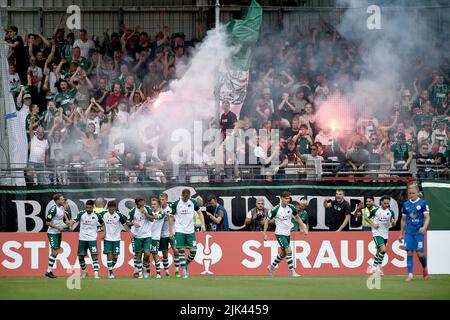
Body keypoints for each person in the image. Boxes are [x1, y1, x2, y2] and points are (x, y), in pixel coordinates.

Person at [264, 191, 307, 277]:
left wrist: (303, 227)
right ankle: (293, 272)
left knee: (283, 253)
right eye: (286, 198)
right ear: (281, 198)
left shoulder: (291, 207)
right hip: (280, 234)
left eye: (289, 198)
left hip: (287, 234)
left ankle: (271, 267)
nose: (288, 200)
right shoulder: (275, 209)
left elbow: (297, 218)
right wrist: (264, 234)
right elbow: (267, 220)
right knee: (288, 250)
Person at [169, 188, 206, 278]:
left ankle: (185, 264)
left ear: (189, 196)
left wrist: (203, 224)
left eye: (187, 197)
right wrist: (170, 231)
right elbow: (170, 216)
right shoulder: (176, 203)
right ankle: (184, 271)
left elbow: (200, 213)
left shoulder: (193, 202)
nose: (186, 198)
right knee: (180, 250)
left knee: (193, 251)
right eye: (184, 197)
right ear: (182, 195)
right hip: (179, 230)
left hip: (190, 231)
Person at [400, 184, 430, 281]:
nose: (411, 195)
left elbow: (427, 217)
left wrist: (424, 227)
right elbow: (403, 219)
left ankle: (425, 269)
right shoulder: (405, 204)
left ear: (417, 193)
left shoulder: (423, 203)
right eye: (410, 193)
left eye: (413, 193)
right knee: (409, 252)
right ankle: (410, 275)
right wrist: (401, 233)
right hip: (409, 233)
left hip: (419, 233)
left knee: (420, 254)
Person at [69, 199, 103, 279]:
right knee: (80, 257)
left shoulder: (97, 215)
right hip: (82, 238)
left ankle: (96, 273)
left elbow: (103, 223)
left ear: (93, 207)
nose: (88, 209)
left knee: (94, 256)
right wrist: (71, 226)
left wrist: (104, 232)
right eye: (87, 207)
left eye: (90, 208)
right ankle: (84, 271)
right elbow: (74, 221)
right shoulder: (81, 214)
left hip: (92, 239)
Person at [366, 196, 396, 275]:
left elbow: (393, 223)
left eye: (387, 203)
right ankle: (377, 267)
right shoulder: (376, 210)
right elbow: (367, 218)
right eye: (385, 203)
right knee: (383, 250)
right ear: (381, 202)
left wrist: (393, 222)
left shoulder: (390, 212)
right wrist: (373, 224)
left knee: (379, 251)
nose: (386, 205)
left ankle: (376, 267)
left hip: (385, 233)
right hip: (376, 232)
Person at [101, 200, 132, 279]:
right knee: (109, 255)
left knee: (115, 257)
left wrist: (130, 233)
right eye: (110, 209)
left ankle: (110, 269)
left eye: (113, 209)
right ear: (108, 208)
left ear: (115, 208)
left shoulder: (119, 215)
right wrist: (102, 231)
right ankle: (111, 273)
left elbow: (124, 225)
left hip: (116, 239)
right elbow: (98, 220)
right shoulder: (104, 214)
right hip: (107, 238)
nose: (111, 210)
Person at [127, 197, 156, 278]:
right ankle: (139, 272)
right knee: (138, 254)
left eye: (143, 201)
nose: (142, 203)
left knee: (147, 254)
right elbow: (127, 222)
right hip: (137, 236)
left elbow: (152, 219)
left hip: (147, 235)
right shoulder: (133, 211)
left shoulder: (147, 208)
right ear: (137, 203)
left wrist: (145, 214)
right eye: (140, 202)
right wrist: (133, 224)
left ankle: (143, 268)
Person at [45, 193, 71, 278]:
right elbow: (47, 222)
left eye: (63, 199)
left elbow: (64, 215)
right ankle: (48, 271)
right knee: (55, 251)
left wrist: (66, 221)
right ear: (57, 201)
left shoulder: (62, 207)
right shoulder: (53, 210)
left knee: (55, 252)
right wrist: (57, 227)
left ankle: (49, 271)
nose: (63, 200)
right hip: (52, 233)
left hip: (58, 233)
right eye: (61, 199)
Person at [158, 193, 180, 277]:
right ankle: (167, 272)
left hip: (172, 233)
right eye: (160, 199)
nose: (161, 201)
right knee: (165, 253)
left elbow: (175, 219)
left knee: (176, 250)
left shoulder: (171, 208)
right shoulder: (158, 209)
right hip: (162, 235)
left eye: (163, 199)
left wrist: (168, 215)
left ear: (167, 200)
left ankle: (177, 270)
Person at [149, 197, 165, 278]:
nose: (152, 206)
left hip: (155, 237)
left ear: (158, 204)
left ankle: (158, 272)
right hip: (147, 236)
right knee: (146, 254)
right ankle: (148, 273)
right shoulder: (150, 212)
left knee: (155, 254)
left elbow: (157, 217)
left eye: (154, 204)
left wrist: (146, 214)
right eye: (152, 204)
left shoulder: (162, 212)